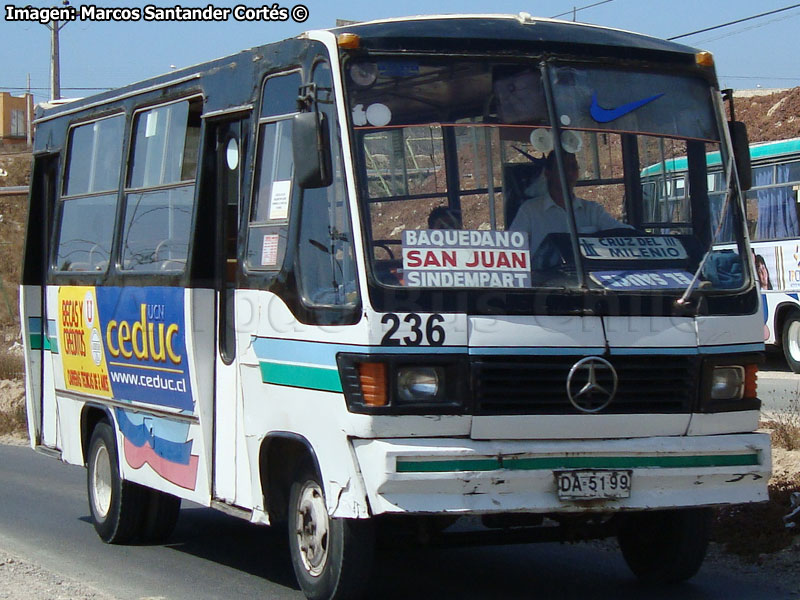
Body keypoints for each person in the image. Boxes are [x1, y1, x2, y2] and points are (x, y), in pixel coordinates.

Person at [509, 150, 629, 255]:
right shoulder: (530, 211)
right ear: (548, 173)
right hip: (545, 279)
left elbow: (624, 233)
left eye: (573, 167)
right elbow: (512, 249)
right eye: (563, 168)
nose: (570, 173)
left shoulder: (593, 211)